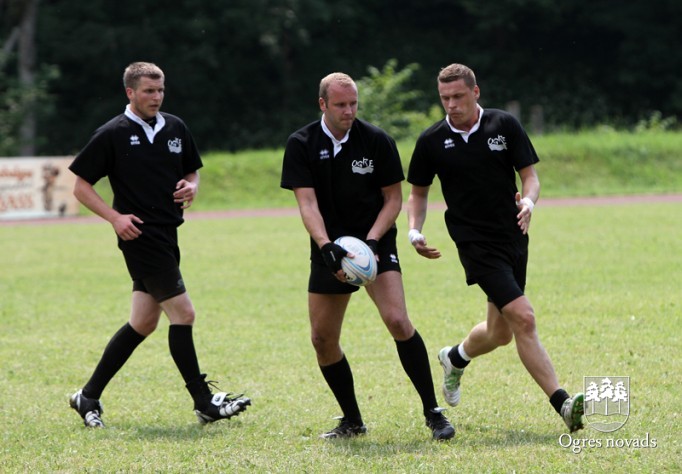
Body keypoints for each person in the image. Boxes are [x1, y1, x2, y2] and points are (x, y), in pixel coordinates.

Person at [68, 62, 251, 428]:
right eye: (149, 91)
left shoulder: (175, 127)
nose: (156, 97)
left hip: (168, 234)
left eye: (160, 90)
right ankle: (203, 401)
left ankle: (87, 395)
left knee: (143, 322)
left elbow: (191, 171)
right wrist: (115, 218)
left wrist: (192, 185)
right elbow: (81, 187)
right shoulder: (112, 133)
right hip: (140, 236)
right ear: (130, 92)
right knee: (184, 314)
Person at [406, 63, 585, 433]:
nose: (451, 104)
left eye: (458, 96)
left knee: (499, 332)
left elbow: (529, 177)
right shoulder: (431, 141)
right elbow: (418, 194)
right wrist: (414, 230)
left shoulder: (503, 125)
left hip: (513, 235)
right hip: (475, 243)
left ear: (476, 92)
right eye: (444, 98)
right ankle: (563, 403)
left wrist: (529, 202)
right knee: (524, 317)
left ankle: (454, 357)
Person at [280, 72, 454, 441]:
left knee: (397, 320)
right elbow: (307, 204)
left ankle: (433, 412)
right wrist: (326, 245)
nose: (349, 111)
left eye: (353, 103)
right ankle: (352, 420)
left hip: (376, 242)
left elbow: (393, 199)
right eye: (340, 105)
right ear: (322, 104)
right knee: (322, 339)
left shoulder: (376, 140)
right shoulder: (301, 143)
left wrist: (372, 242)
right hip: (329, 249)